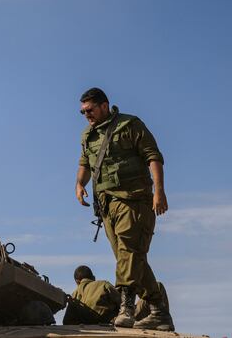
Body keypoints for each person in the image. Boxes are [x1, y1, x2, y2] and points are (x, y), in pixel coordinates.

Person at [74, 87, 174, 331]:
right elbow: (85, 163)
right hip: (106, 206)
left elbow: (153, 156)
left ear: (104, 105)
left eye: (90, 110)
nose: (86, 115)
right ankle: (158, 308)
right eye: (82, 112)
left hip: (134, 199)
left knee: (129, 252)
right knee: (129, 258)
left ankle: (127, 307)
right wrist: (79, 183)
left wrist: (159, 191)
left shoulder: (129, 125)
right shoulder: (87, 134)